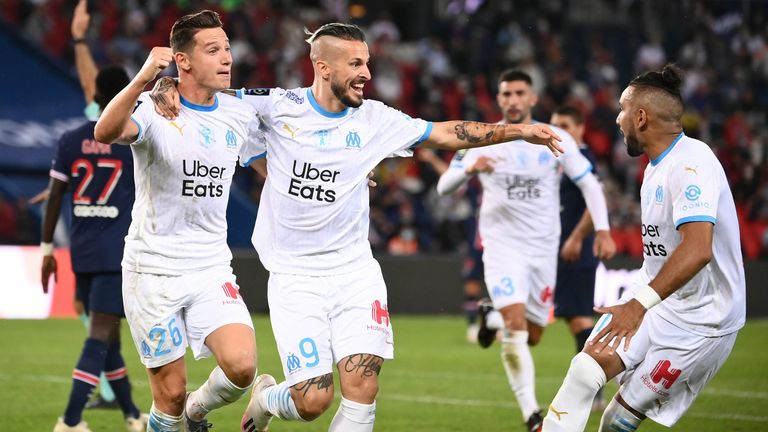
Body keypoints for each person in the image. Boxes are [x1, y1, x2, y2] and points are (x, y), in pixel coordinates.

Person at [151, 22, 562, 432]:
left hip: (355, 273)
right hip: (295, 278)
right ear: (323, 67)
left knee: (362, 391)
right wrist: (166, 86)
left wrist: (518, 132)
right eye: (355, 63)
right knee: (313, 400)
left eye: (367, 62)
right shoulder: (277, 106)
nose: (366, 73)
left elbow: (444, 133)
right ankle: (269, 398)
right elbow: (206, 95)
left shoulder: (375, 119)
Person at [542, 65, 746, 432]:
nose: (617, 120)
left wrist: (637, 306)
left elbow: (699, 249)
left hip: (703, 319)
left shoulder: (691, 162)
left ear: (640, 117)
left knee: (615, 422)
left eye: (622, 110)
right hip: (655, 300)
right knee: (583, 371)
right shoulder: (656, 165)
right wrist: (639, 302)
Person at [94, 10, 267, 432]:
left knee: (243, 367)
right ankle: (179, 413)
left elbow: (274, 166)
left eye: (227, 48)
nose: (226, 58)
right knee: (168, 395)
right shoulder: (156, 109)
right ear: (182, 61)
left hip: (209, 266)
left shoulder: (239, 113)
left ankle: (196, 412)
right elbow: (105, 131)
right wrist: (143, 80)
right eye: (213, 50)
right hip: (152, 269)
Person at [436, 70, 614, 432]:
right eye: (507, 94)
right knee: (517, 330)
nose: (513, 99)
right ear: (499, 100)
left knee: (533, 334)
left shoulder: (554, 137)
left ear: (533, 99)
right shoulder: (484, 137)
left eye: (520, 93)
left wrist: (604, 230)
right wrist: (470, 167)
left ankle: (490, 318)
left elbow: (589, 183)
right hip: (503, 248)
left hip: (542, 251)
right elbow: (443, 187)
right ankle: (533, 416)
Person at [41, 61, 147, 432]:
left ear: (96, 96)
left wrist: (46, 250)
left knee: (108, 341)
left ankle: (133, 416)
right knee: (100, 335)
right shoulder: (132, 140)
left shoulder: (70, 139)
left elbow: (55, 195)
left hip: (82, 253)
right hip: (116, 253)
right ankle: (70, 421)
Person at [549, 105, 617, 412]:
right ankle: (610, 369)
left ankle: (600, 383)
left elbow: (595, 199)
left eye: (564, 125)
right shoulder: (561, 161)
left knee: (579, 319)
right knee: (573, 319)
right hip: (562, 251)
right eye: (554, 125)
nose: (558, 131)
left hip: (575, 251)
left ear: (580, 129)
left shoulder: (583, 158)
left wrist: (576, 238)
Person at [417, 148, 485, 343]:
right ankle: (473, 327)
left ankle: (503, 325)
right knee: (471, 282)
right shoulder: (474, 185)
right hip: (478, 239)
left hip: (505, 238)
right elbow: (450, 179)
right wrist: (432, 159)